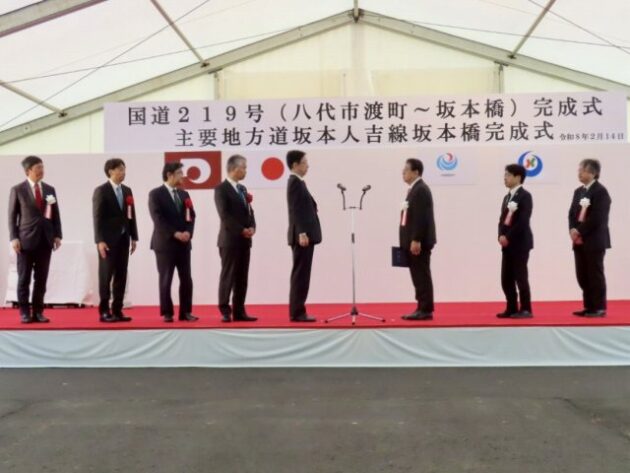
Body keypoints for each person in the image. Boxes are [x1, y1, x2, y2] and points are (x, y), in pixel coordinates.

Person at [8, 155, 62, 324]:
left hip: (45, 241)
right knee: (24, 279)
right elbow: (12, 217)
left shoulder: (50, 190)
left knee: (41, 279)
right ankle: (25, 312)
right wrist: (14, 238)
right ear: (28, 171)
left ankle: (38, 312)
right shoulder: (18, 190)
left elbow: (55, 214)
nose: (41, 170)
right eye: (38, 168)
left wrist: (57, 234)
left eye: (42, 167)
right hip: (25, 242)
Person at [148, 162, 197, 323]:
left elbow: (191, 216)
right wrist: (175, 233)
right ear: (169, 175)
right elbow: (157, 219)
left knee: (186, 279)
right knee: (166, 279)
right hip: (165, 244)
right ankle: (167, 313)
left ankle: (186, 312)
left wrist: (188, 232)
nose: (183, 176)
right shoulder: (155, 194)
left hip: (184, 244)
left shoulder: (184, 194)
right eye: (179, 173)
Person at [92, 158, 139, 323]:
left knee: (121, 275)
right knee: (106, 276)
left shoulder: (127, 190)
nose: (123, 172)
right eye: (120, 169)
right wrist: (99, 240)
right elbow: (97, 217)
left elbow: (131, 215)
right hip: (108, 241)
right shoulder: (101, 190)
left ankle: (118, 310)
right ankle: (104, 311)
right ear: (110, 171)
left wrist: (134, 236)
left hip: (124, 239)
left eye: (124, 169)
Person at [214, 155, 257, 323]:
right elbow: (224, 215)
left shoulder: (242, 189)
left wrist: (252, 227)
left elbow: (250, 211)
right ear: (234, 168)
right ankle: (225, 310)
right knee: (228, 276)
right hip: (229, 240)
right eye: (243, 168)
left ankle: (239, 311)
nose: (245, 171)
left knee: (242, 277)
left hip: (245, 241)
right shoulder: (221, 189)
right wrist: (241, 230)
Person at [569, 158, 611, 317]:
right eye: (579, 170)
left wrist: (579, 231)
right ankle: (589, 306)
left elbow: (598, 218)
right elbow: (571, 213)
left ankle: (599, 307)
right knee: (582, 275)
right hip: (578, 241)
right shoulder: (578, 191)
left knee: (595, 274)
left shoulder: (601, 192)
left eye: (583, 170)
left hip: (594, 241)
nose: (579, 173)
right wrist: (572, 230)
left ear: (593, 173)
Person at [286, 150, 321, 322]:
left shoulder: (299, 182)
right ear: (295, 165)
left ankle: (298, 310)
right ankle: (297, 312)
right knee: (300, 275)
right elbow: (295, 210)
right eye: (305, 163)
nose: (308, 166)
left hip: (305, 235)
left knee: (303, 274)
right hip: (302, 237)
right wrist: (301, 232)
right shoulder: (294, 183)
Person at [400, 158, 436, 321]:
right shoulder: (414, 189)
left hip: (418, 243)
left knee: (421, 275)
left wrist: (416, 239)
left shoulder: (420, 189)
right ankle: (421, 306)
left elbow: (422, 218)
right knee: (417, 275)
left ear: (416, 172)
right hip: (413, 241)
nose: (403, 172)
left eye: (406, 170)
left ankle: (425, 309)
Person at [497, 164, 534, 319]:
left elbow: (523, 221)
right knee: (506, 278)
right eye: (505, 175)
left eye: (508, 175)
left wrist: (508, 237)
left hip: (520, 243)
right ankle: (511, 307)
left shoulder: (525, 196)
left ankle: (526, 309)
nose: (505, 178)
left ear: (518, 177)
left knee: (520, 277)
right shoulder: (507, 197)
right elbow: (501, 220)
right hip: (506, 245)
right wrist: (500, 235)